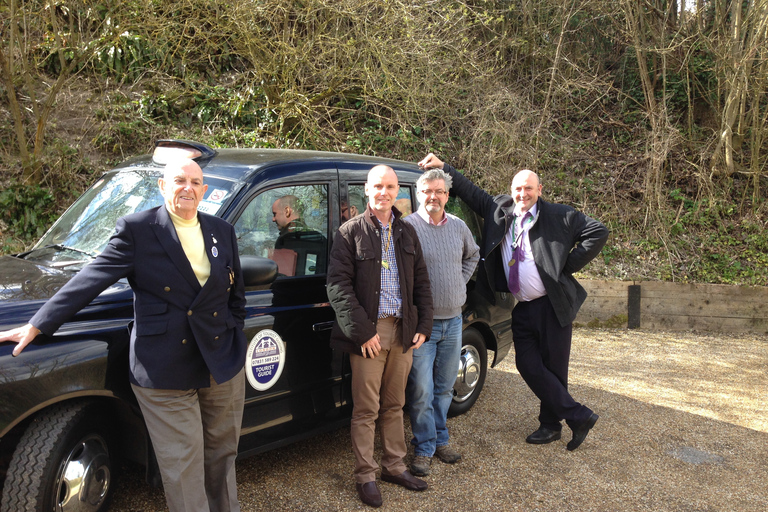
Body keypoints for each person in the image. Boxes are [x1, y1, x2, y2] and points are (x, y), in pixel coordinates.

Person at [0, 158, 247, 512]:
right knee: (184, 465)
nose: (187, 188)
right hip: (164, 366)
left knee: (223, 454)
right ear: (163, 187)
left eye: (195, 182)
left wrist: (233, 330)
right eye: (179, 181)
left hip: (221, 362)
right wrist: (38, 323)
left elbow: (235, 295)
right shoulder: (139, 229)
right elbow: (92, 277)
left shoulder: (221, 230)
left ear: (204, 191)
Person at [418, 153, 609, 451]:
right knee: (528, 364)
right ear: (511, 190)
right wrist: (443, 168)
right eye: (518, 188)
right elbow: (469, 191)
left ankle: (551, 425)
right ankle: (578, 415)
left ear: (540, 190)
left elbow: (598, 232)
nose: (523, 194)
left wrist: (565, 266)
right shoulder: (499, 210)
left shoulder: (560, 215)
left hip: (552, 305)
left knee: (554, 368)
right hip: (523, 305)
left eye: (529, 188)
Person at [326, 165, 433, 508]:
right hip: (370, 333)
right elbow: (338, 286)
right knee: (366, 408)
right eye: (377, 186)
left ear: (397, 190)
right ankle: (366, 475)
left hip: (403, 331)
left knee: (395, 404)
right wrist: (363, 331)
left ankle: (394, 467)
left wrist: (423, 325)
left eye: (390, 187)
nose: (384, 192)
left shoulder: (407, 231)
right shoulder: (349, 232)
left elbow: (422, 284)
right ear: (367, 189)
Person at [403, 168, 479, 476]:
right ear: (419, 193)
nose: (433, 197)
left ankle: (439, 438)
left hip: (454, 322)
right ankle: (424, 447)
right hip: (423, 326)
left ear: (447, 195)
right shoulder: (407, 227)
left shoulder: (459, 227)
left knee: (445, 388)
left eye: (440, 192)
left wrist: (458, 284)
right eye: (428, 191)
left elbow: (472, 257)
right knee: (421, 389)